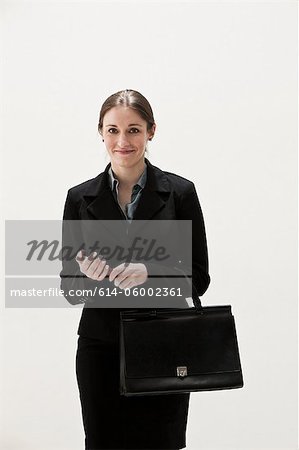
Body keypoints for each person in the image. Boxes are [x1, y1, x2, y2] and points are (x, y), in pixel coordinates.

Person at [60, 89, 210, 449]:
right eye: (113, 130)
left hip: (165, 343)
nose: (122, 141)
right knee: (102, 441)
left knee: (162, 442)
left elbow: (199, 278)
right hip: (101, 345)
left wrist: (150, 271)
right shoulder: (80, 198)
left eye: (133, 130)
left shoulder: (179, 193)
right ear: (100, 132)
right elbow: (70, 289)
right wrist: (89, 278)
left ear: (151, 131)